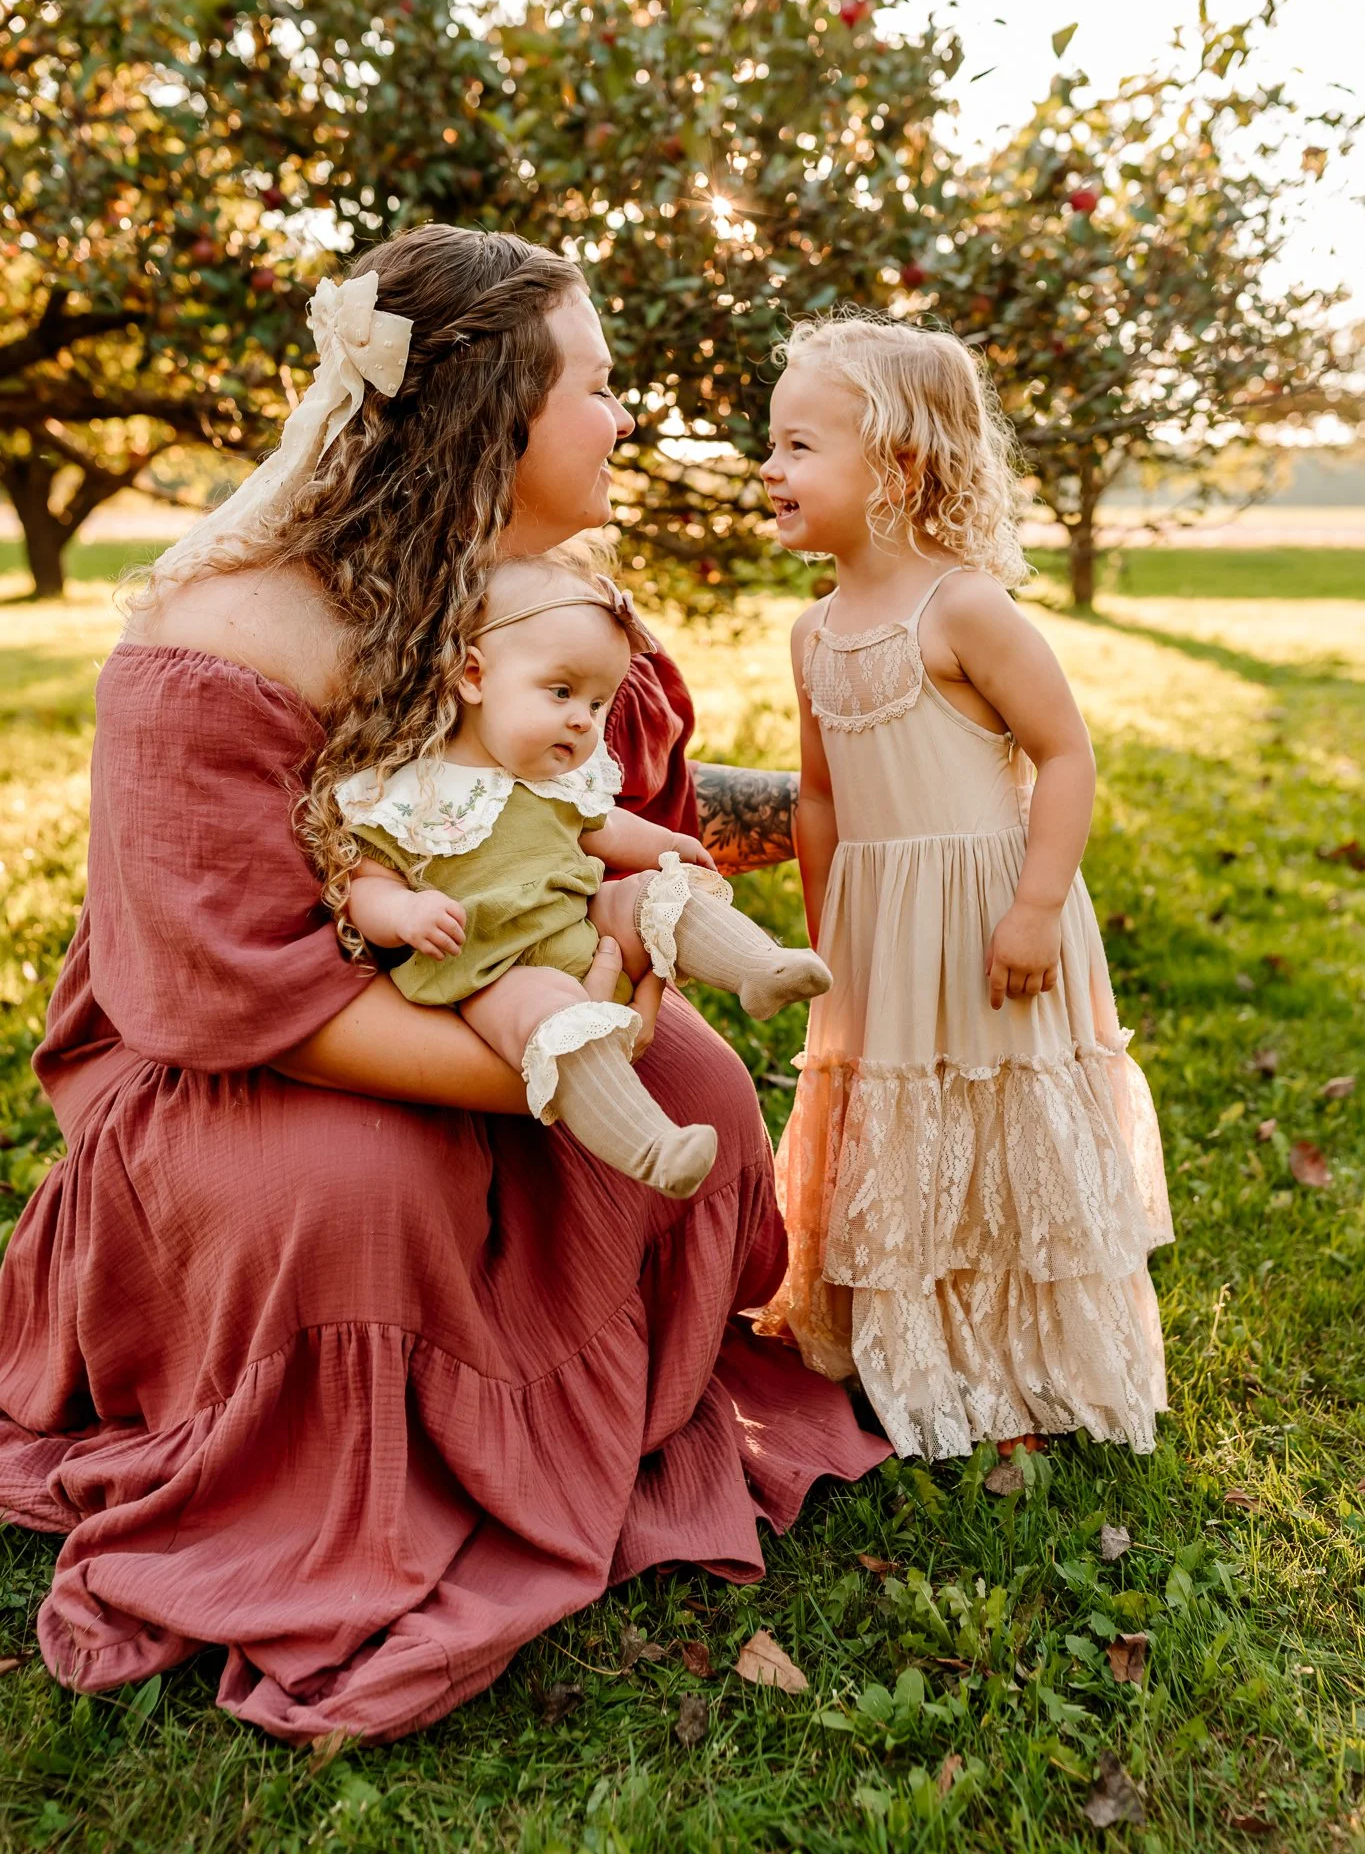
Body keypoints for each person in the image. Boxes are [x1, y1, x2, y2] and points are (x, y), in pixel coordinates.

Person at [0, 227, 886, 1745]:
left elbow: (609, 805)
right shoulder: (212, 642)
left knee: (700, 1089)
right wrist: (530, 1054)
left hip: (509, 970)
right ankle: (345, 1480)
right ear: (492, 414)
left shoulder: (528, 598)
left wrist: (862, 797)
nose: (626, 419)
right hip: (248, 1050)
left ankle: (580, 1410)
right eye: (600, 388)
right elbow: (215, 987)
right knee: (359, 1197)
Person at [753, 314, 1172, 1460]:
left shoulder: (965, 608)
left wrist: (1037, 904)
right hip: (886, 928)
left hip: (990, 913)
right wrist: (827, 916)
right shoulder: (814, 632)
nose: (768, 469)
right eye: (771, 445)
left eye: (797, 447)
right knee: (897, 1115)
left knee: (1002, 1114)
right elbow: (822, 795)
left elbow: (1067, 753)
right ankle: (914, 1341)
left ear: (892, 466)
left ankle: (1026, 1352)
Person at [338, 552, 831, 1198]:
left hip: (582, 921)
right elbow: (366, 882)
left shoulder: (559, 779)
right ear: (473, 676)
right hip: (493, 970)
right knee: (551, 1020)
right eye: (562, 692)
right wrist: (404, 914)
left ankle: (757, 969)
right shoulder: (412, 788)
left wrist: (670, 845)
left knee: (648, 894)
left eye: (599, 704)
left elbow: (608, 830)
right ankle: (653, 1147)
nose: (583, 720)